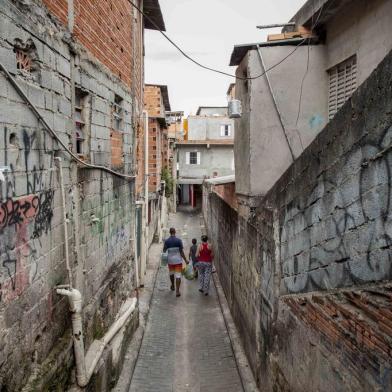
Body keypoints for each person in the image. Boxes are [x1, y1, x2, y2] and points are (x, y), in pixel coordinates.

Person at [163, 227, 189, 297]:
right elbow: (181, 252)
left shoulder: (167, 241)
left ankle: (172, 285)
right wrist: (186, 260)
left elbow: (164, 251)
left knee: (171, 274)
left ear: (169, 232)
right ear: (175, 232)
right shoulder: (179, 241)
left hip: (170, 261)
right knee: (178, 275)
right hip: (178, 261)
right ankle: (177, 291)